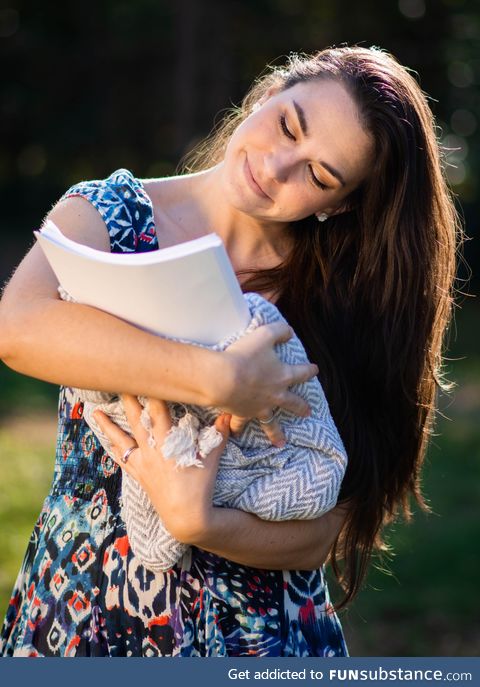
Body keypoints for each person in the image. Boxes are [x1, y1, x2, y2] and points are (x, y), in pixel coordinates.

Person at [0, 45, 459, 657]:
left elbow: (323, 532)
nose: (277, 166)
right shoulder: (111, 215)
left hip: (263, 640)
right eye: (288, 124)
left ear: (340, 204)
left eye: (319, 176)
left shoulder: (346, 298)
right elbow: (18, 329)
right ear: (266, 94)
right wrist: (218, 379)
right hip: (84, 615)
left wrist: (202, 526)